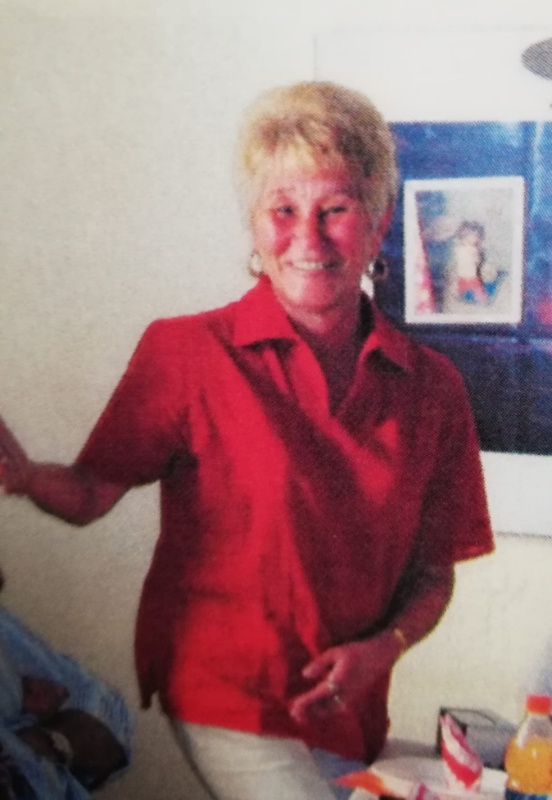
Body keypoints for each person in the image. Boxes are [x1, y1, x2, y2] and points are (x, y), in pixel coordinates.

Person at [0, 81, 494, 800]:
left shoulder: (433, 388)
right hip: (224, 691)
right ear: (254, 226)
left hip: (348, 709)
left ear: (379, 221)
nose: (308, 239)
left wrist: (381, 650)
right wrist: (25, 477)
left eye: (335, 209)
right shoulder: (187, 353)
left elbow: (432, 573)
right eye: (282, 210)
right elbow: (90, 492)